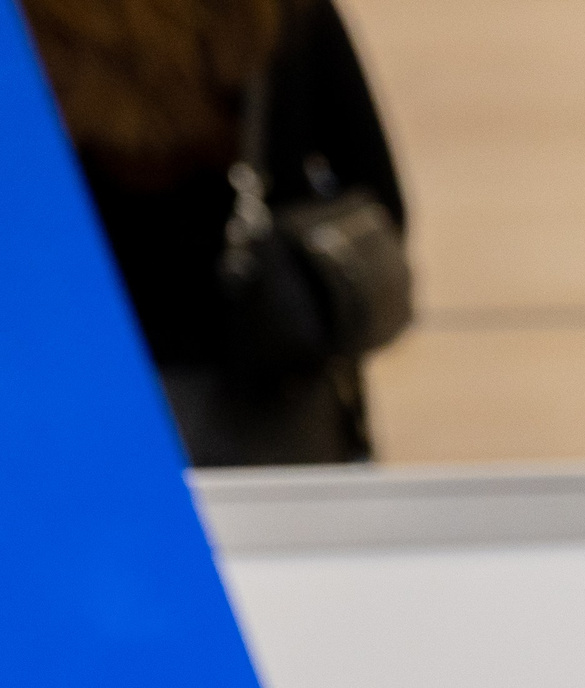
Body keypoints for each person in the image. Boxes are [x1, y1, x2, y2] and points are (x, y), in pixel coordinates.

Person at [24, 0, 405, 465]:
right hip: (271, 396)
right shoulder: (283, 11)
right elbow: (379, 206)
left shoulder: (28, 23)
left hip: (69, 394)